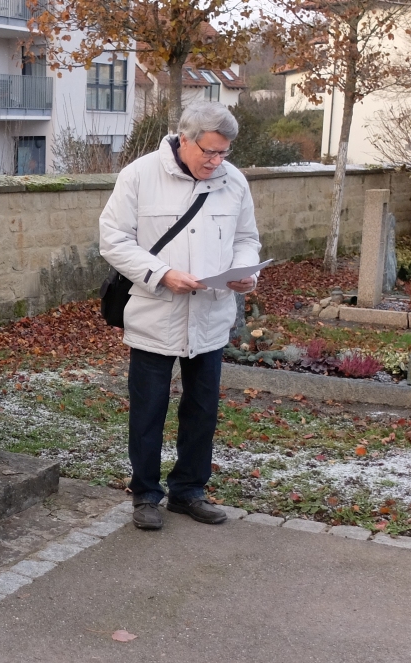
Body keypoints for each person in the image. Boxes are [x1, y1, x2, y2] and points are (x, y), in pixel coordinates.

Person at [99, 101, 261, 531]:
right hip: (156, 314)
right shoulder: (139, 175)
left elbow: (247, 238)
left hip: (210, 317)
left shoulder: (234, 181)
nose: (216, 161)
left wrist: (245, 273)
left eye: (223, 152)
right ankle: (146, 494)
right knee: (149, 410)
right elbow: (113, 240)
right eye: (209, 151)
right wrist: (162, 273)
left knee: (202, 409)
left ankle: (189, 490)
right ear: (184, 139)